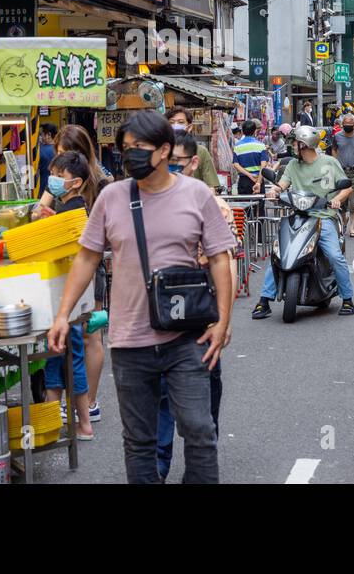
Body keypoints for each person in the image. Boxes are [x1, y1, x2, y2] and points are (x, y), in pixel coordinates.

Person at [49, 111, 235, 485]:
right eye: (125, 148)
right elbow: (87, 256)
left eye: (139, 148)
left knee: (199, 429)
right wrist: (62, 314)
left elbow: (219, 257)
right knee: (139, 440)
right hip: (130, 339)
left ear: (165, 150)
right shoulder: (112, 197)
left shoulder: (196, 194)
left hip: (187, 335)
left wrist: (223, 321)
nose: (129, 154)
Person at [155, 132, 238, 481]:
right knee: (160, 397)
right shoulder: (147, 199)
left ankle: (203, 457)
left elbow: (227, 262)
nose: (170, 167)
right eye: (165, 159)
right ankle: (157, 468)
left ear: (192, 162)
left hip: (200, 314)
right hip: (157, 316)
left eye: (177, 161)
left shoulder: (211, 205)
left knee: (203, 396)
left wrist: (223, 318)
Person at [251, 125, 354, 319]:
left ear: (304, 144)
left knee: (334, 255)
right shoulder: (292, 165)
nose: (293, 146)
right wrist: (274, 191)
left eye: (296, 142)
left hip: (323, 216)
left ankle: (347, 299)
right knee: (278, 253)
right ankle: (264, 301)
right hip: (298, 215)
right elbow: (282, 185)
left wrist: (336, 199)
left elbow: (346, 187)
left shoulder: (329, 163)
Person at [40, 151, 99, 440]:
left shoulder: (74, 212)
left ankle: (84, 424)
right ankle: (53, 424)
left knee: (67, 359)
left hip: (68, 302)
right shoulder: (71, 207)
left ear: (75, 182)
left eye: (59, 176)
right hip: (65, 301)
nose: (53, 181)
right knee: (56, 358)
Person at [166, 107, 220, 192]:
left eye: (180, 122)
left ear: (189, 127)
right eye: (171, 122)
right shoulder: (160, 151)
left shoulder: (201, 151)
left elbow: (211, 187)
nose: (175, 125)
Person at [232, 119, 268, 195]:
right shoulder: (261, 146)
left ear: (242, 132)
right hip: (259, 179)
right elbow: (263, 166)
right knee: (259, 205)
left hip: (244, 181)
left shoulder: (237, 146)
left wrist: (249, 175)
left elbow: (236, 165)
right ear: (255, 131)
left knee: (243, 205)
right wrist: (258, 182)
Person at [35, 123, 58, 197]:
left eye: (41, 134)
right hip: (58, 190)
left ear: (48, 135)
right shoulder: (60, 148)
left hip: (43, 189)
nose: (40, 137)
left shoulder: (40, 150)